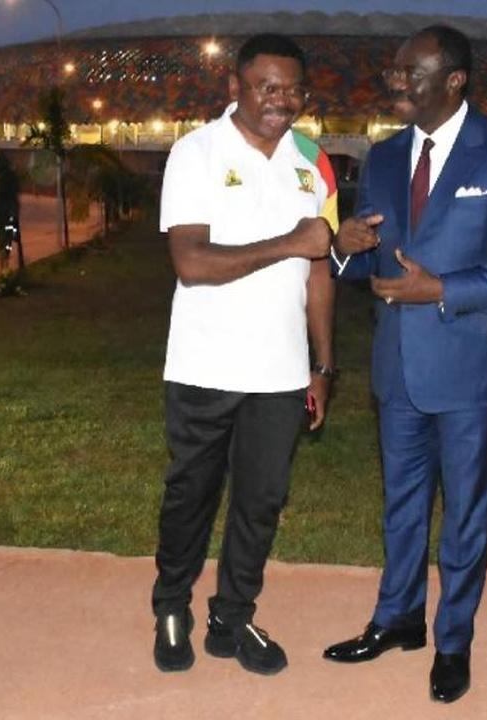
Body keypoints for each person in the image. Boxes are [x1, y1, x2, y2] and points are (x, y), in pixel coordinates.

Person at [320, 25, 487, 703]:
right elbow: (368, 256)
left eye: (410, 73)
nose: (397, 82)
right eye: (394, 72)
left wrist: (443, 289)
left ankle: (453, 642)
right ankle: (397, 619)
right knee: (402, 505)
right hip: (397, 367)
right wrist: (343, 246)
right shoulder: (386, 155)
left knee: (466, 514)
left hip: (471, 368)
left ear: (454, 80)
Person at [150, 33, 340, 675]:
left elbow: (319, 269)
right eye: (267, 86)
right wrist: (289, 241)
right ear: (236, 86)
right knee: (192, 497)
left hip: (280, 373)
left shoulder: (311, 161)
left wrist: (322, 365)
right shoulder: (196, 152)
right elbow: (191, 262)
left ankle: (233, 617)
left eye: (293, 89)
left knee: (260, 504)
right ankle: (170, 607)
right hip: (204, 365)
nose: (281, 100)